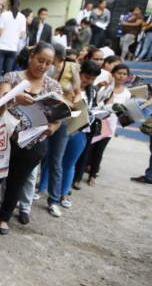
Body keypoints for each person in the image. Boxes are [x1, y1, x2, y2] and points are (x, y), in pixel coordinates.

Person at [0, 42, 62, 234]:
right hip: (5, 139)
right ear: (31, 57)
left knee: (17, 181)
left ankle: (4, 217)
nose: (43, 66)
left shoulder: (53, 86)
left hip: (34, 143)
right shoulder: (12, 77)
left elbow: (58, 118)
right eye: (40, 60)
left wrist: (52, 128)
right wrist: (15, 98)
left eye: (48, 63)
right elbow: (1, 100)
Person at [35, 44, 80, 216]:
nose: (47, 65)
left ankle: (53, 200)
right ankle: (31, 194)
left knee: (56, 161)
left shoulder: (72, 69)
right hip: (42, 116)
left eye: (52, 61)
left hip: (62, 119)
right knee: (36, 158)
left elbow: (77, 92)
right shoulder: (43, 69)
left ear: (59, 59)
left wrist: (72, 104)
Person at [57, 60, 101, 207]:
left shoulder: (92, 91)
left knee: (69, 163)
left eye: (92, 79)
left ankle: (63, 194)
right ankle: (44, 189)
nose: (88, 81)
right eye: (86, 77)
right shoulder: (68, 86)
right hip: (62, 126)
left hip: (81, 129)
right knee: (54, 161)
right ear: (79, 73)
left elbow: (93, 107)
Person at [85, 64, 131, 186]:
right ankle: (80, 173)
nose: (121, 76)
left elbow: (125, 114)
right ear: (113, 74)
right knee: (88, 150)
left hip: (109, 125)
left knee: (99, 152)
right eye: (119, 73)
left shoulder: (127, 93)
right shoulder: (104, 87)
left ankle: (92, 175)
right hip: (97, 122)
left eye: (124, 74)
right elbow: (95, 102)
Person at [0, 0, 26, 81]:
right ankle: (5, 91)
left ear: (9, 4)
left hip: (1, 46)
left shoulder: (4, 14)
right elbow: (22, 35)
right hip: (13, 48)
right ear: (19, 5)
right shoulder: (22, 17)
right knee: (8, 74)